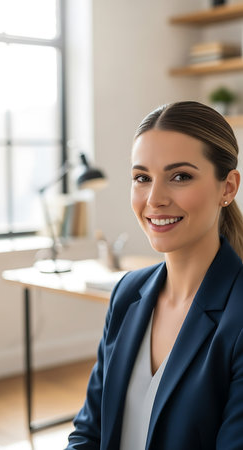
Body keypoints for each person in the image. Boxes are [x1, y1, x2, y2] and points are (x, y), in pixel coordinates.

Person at [65, 101, 243, 450]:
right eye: (142, 178)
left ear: (228, 187)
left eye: (180, 176)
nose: (154, 198)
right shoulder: (128, 292)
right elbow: (88, 431)